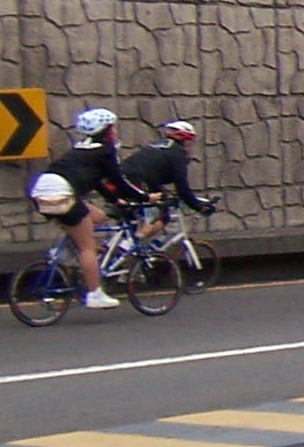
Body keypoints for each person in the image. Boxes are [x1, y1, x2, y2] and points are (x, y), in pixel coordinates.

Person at [30, 108, 151, 309]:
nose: (115, 131)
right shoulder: (106, 150)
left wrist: (115, 200)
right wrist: (145, 197)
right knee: (87, 247)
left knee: (98, 216)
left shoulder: (81, 148)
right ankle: (94, 293)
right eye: (112, 127)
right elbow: (119, 181)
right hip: (62, 194)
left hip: (42, 190)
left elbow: (97, 181)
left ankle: (67, 251)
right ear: (105, 130)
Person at [118, 119, 221, 224]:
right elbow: (182, 188)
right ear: (186, 141)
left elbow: (151, 173)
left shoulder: (158, 145)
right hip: (137, 180)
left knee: (133, 217)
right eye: (191, 141)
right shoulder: (178, 153)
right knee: (161, 216)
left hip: (121, 177)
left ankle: (128, 231)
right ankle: (139, 234)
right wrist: (199, 207)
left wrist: (164, 194)